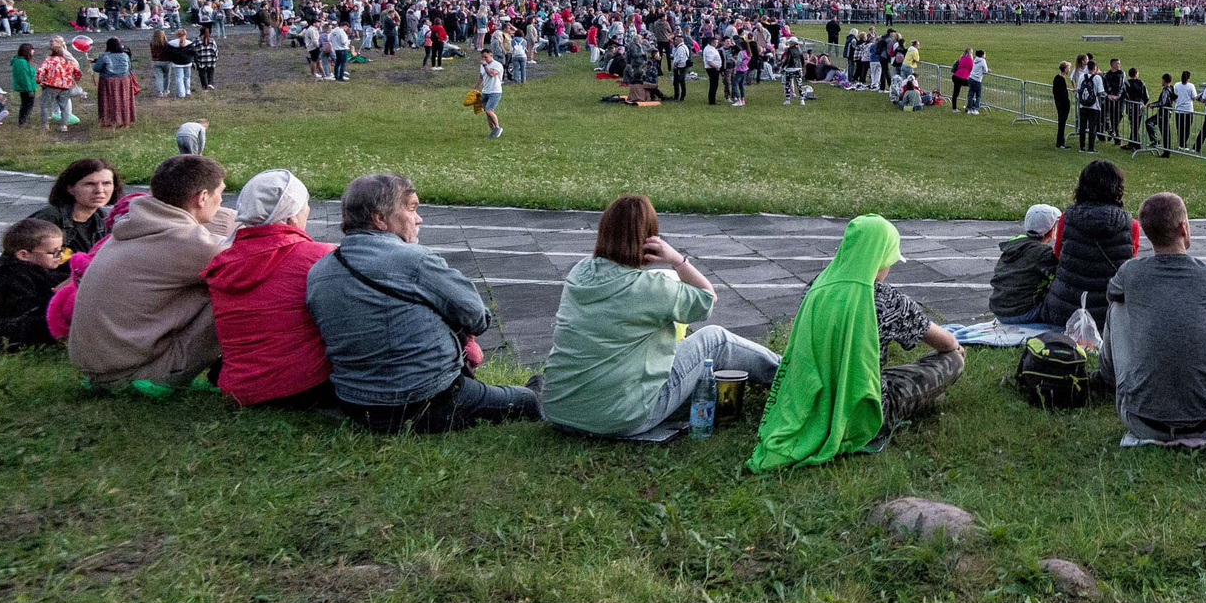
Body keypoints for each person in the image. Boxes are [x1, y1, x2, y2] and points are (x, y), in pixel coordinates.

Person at [308, 171, 538, 432]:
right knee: (527, 399)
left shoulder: (320, 271)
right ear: (380, 219)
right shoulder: (415, 260)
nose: (419, 219)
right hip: (428, 398)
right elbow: (477, 318)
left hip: (358, 404)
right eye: (411, 209)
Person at [544, 194, 781, 440]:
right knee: (716, 339)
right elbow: (707, 299)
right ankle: (787, 375)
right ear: (649, 239)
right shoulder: (651, 288)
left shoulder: (579, 273)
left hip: (560, 412)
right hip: (620, 418)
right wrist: (678, 260)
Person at [750, 214, 964, 471]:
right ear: (880, 259)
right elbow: (945, 342)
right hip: (865, 410)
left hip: (812, 399)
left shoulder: (816, 287)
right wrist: (955, 348)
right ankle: (914, 405)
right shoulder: (886, 300)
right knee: (952, 360)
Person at [67, 153, 235, 397]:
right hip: (138, 373)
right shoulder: (192, 245)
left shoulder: (134, 226)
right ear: (202, 197)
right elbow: (262, 262)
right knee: (238, 287)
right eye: (220, 193)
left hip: (98, 367)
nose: (221, 200)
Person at [1107, 192, 1206, 442]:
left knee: (1117, 306)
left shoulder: (1131, 272)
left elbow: (1112, 292)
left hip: (1140, 421)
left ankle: (1105, 377)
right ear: (1183, 227)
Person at [201, 169, 338, 409]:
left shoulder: (222, 263)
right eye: (305, 206)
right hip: (305, 385)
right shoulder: (318, 256)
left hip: (241, 389)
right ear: (291, 217)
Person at [1039, 159, 1141, 328]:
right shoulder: (1131, 225)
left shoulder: (1067, 217)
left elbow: (1058, 255)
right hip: (1110, 314)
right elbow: (1128, 263)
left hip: (1065, 310)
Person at [0, 217, 66, 350]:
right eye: (54, 252)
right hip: (13, 326)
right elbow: (25, 310)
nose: (60, 255)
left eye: (61, 250)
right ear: (24, 255)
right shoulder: (13, 276)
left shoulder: (39, 268)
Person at [987, 204, 1059, 324]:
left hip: (999, 310)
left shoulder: (1013, 244)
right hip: (1022, 313)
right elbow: (1058, 275)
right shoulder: (1043, 253)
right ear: (1051, 232)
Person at [38, 158, 122, 255]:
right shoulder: (47, 220)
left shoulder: (105, 219)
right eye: (90, 184)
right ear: (70, 188)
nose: (99, 190)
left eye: (106, 183)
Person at [36, 38, 83, 132]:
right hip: (65, 87)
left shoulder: (48, 61)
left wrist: (40, 82)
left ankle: (45, 125)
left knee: (45, 106)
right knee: (64, 107)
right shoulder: (68, 62)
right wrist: (73, 81)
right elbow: (78, 72)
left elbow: (40, 71)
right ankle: (63, 125)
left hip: (51, 86)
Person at [95, 35, 136, 129]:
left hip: (108, 81)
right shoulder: (125, 55)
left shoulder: (103, 56)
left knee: (107, 101)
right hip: (124, 80)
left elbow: (97, 68)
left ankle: (108, 121)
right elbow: (129, 67)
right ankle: (125, 121)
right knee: (124, 100)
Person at [476, 48, 505, 138]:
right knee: (487, 113)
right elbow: (481, 77)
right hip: (485, 91)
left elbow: (491, 74)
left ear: (491, 55)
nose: (484, 59)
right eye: (483, 58)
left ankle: (497, 128)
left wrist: (485, 65)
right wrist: (475, 88)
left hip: (495, 91)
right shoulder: (482, 66)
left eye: (486, 57)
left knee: (489, 110)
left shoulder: (497, 65)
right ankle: (493, 132)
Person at [10, 41, 38, 126]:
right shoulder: (22, 63)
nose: (33, 52)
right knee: (27, 105)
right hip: (27, 88)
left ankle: (24, 121)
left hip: (26, 87)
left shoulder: (21, 61)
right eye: (32, 50)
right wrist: (29, 90)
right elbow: (25, 77)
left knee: (26, 105)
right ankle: (23, 121)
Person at [1052, 62, 1073, 149]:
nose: (1069, 70)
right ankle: (1060, 143)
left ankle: (1060, 142)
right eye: (1068, 68)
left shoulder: (1057, 78)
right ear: (1065, 69)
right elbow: (1063, 93)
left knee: (1061, 123)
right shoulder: (1061, 79)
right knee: (1062, 123)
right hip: (1063, 104)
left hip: (1059, 103)